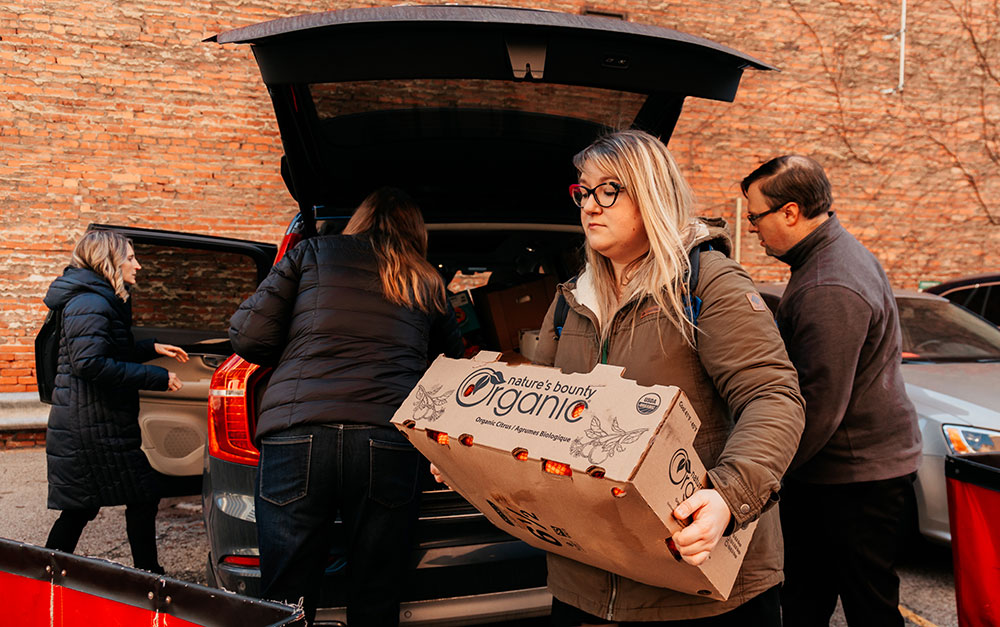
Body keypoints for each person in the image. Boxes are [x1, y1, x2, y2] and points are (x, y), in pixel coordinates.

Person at [433, 129, 805, 625]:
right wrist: (466, 453)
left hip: (700, 589)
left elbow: (773, 396)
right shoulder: (570, 302)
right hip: (587, 581)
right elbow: (531, 418)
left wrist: (727, 496)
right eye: (583, 192)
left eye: (609, 190)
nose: (590, 205)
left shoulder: (707, 283)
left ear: (652, 191)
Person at [229, 187, 463, 626]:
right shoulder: (427, 279)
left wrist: (300, 349)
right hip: (385, 438)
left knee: (285, 595)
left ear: (360, 218)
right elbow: (451, 371)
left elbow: (247, 335)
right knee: (376, 589)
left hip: (298, 432)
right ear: (415, 231)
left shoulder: (313, 253)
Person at [741, 155, 922, 627]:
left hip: (854, 478)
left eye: (755, 216)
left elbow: (819, 402)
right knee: (810, 593)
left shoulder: (829, 283)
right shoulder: (829, 256)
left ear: (790, 212)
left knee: (865, 605)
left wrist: (763, 473)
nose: (752, 228)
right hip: (848, 470)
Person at [43, 229, 188, 574]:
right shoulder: (89, 301)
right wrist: (157, 377)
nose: (137, 265)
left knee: (97, 503)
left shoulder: (99, 298)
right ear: (108, 260)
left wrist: (150, 348)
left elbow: (106, 351)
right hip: (90, 425)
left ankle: (48, 574)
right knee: (108, 501)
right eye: (131, 257)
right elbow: (89, 363)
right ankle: (148, 576)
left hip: (95, 419)